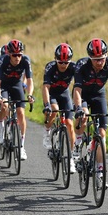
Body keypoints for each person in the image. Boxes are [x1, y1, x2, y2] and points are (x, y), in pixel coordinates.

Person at [73, 38, 108, 188]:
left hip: (98, 95)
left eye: (102, 59)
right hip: (82, 95)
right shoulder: (81, 65)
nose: (99, 62)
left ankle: (100, 173)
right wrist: (78, 108)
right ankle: (77, 144)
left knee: (102, 134)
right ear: (90, 58)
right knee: (83, 116)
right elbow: (77, 90)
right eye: (95, 60)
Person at [0, 39, 35, 160]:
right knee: (5, 106)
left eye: (19, 55)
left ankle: (21, 146)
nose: (17, 58)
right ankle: (1, 125)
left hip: (17, 85)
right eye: (14, 55)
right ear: (9, 54)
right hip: (4, 86)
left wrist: (30, 94)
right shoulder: (3, 61)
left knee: (21, 113)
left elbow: (29, 80)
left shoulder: (26, 61)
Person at [42, 43, 77, 173]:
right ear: (56, 59)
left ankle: (71, 158)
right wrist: (47, 105)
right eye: (60, 62)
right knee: (54, 110)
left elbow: (79, 86)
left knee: (69, 124)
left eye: (66, 62)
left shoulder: (74, 67)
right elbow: (45, 87)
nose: (63, 65)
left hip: (64, 94)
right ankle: (47, 131)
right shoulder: (50, 67)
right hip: (52, 94)